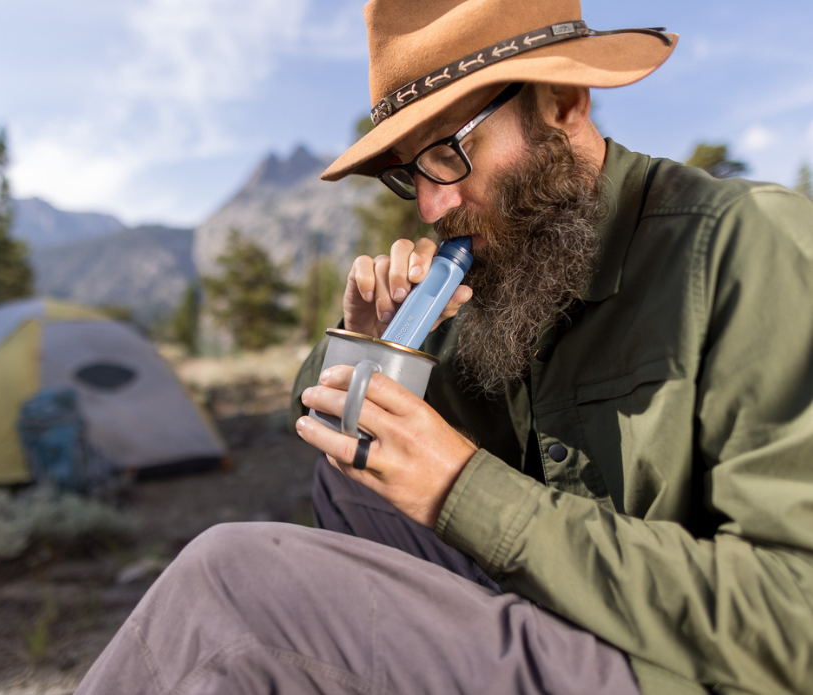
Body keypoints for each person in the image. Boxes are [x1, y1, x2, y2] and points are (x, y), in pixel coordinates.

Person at [75, 1, 813, 693]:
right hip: (574, 609)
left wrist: (467, 491)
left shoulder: (749, 248)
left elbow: (794, 619)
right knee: (355, 474)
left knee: (232, 590)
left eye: (451, 153)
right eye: (410, 173)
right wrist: (366, 347)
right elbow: (339, 427)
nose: (431, 206)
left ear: (561, 104)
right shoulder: (525, 266)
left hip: (680, 667)